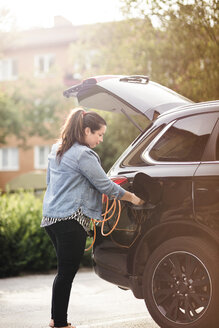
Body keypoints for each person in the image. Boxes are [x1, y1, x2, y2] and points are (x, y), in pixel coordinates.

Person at [41, 108, 144, 328]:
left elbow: (50, 182)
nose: (101, 139)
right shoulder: (83, 154)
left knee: (64, 271)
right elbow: (104, 185)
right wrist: (133, 198)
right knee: (67, 272)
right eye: (99, 134)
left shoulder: (56, 149)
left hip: (51, 218)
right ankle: (59, 322)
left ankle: (56, 319)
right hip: (71, 219)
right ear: (87, 130)